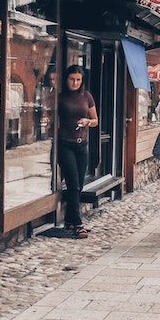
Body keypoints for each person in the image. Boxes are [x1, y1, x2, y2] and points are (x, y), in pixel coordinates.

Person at [57, 64, 98, 238]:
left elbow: (96, 120)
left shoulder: (86, 96)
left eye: (78, 80)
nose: (75, 82)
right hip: (65, 144)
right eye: (72, 79)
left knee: (79, 185)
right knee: (73, 183)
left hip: (82, 145)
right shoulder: (60, 97)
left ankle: (68, 220)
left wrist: (87, 122)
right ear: (66, 79)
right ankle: (78, 223)